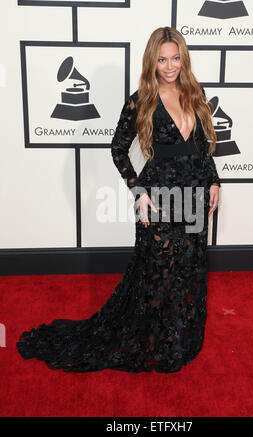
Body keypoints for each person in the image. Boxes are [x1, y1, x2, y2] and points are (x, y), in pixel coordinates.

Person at [16, 26, 221, 373]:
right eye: (162, 59)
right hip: (160, 198)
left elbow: (202, 147)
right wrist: (138, 190)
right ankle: (153, 341)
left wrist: (214, 181)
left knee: (188, 270)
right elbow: (117, 148)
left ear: (183, 59)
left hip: (196, 198)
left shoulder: (194, 93)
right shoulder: (142, 98)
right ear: (152, 61)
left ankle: (179, 339)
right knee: (158, 273)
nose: (169, 66)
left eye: (175, 58)